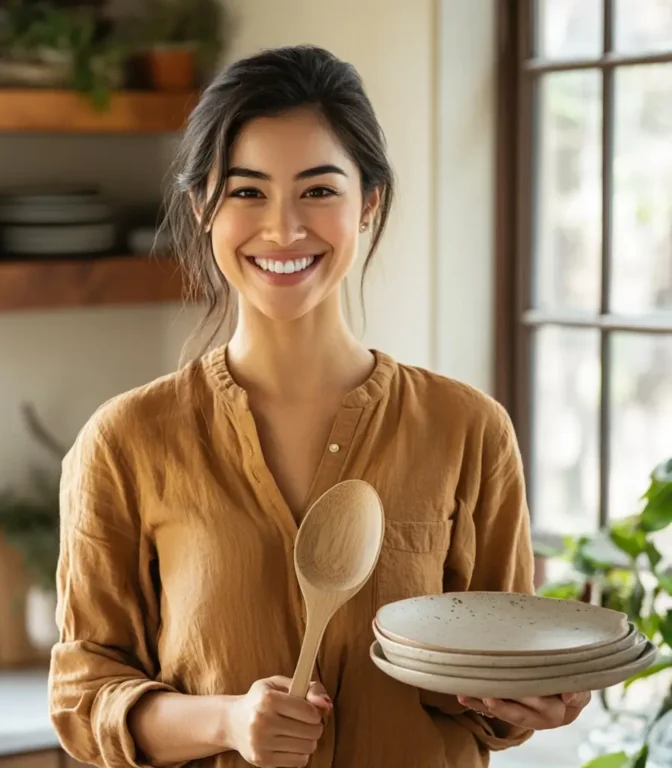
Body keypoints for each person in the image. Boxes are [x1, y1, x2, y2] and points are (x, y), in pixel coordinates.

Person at [49, 45, 591, 768]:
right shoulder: (125, 442)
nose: (281, 229)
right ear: (200, 208)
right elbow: (85, 695)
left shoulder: (469, 430)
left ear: (368, 202)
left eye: (318, 190)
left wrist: (524, 696)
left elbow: (493, 678)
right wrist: (228, 721)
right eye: (246, 192)